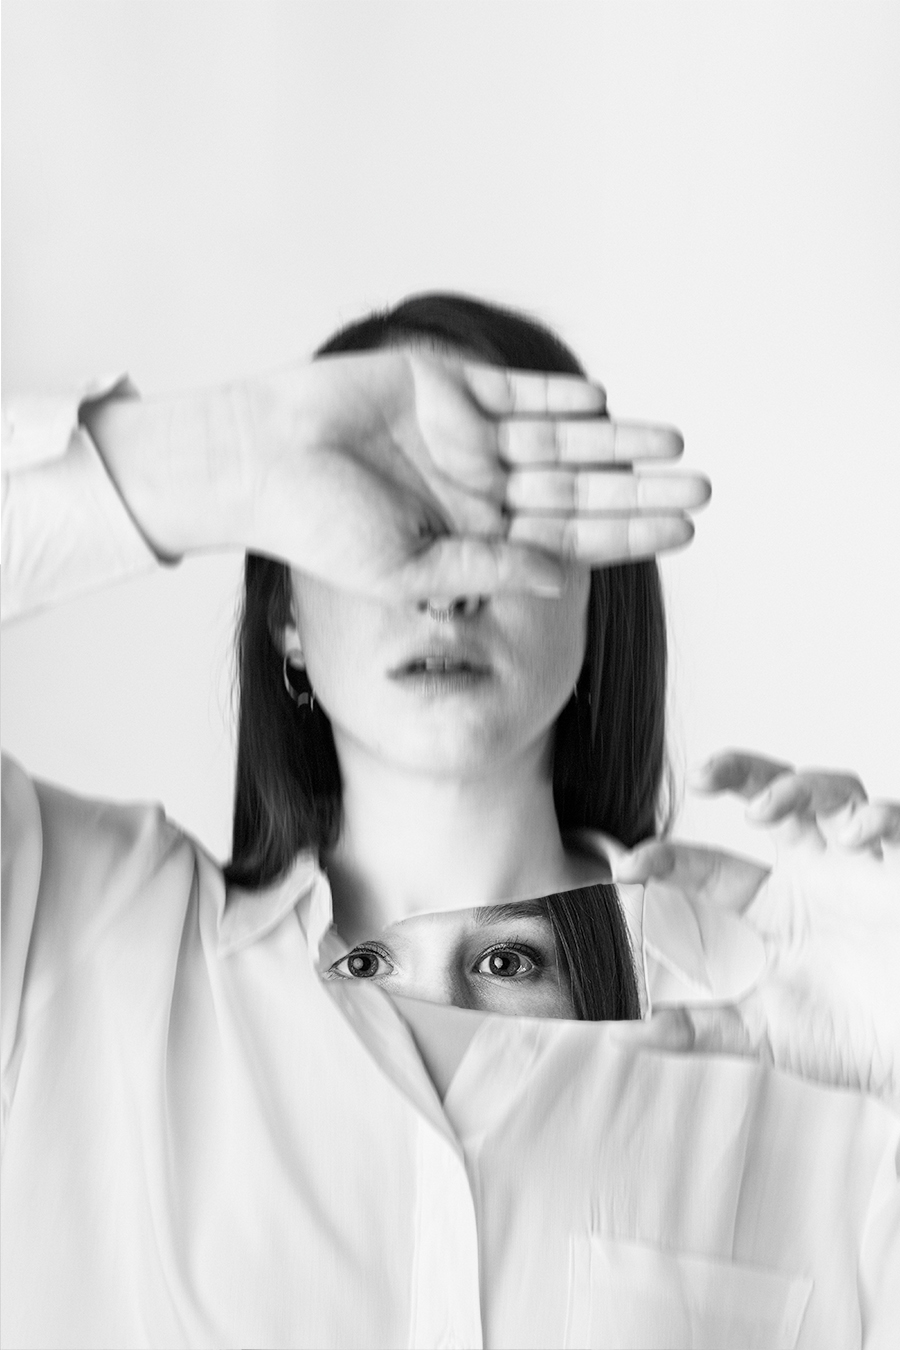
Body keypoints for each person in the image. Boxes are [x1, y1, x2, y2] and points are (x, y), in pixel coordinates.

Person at [1, 293, 897, 1349]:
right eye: (392, 517)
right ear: (285, 616)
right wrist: (214, 463)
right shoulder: (66, 943)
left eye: (504, 519)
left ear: (594, 598)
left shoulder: (806, 1027)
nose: (445, 593)